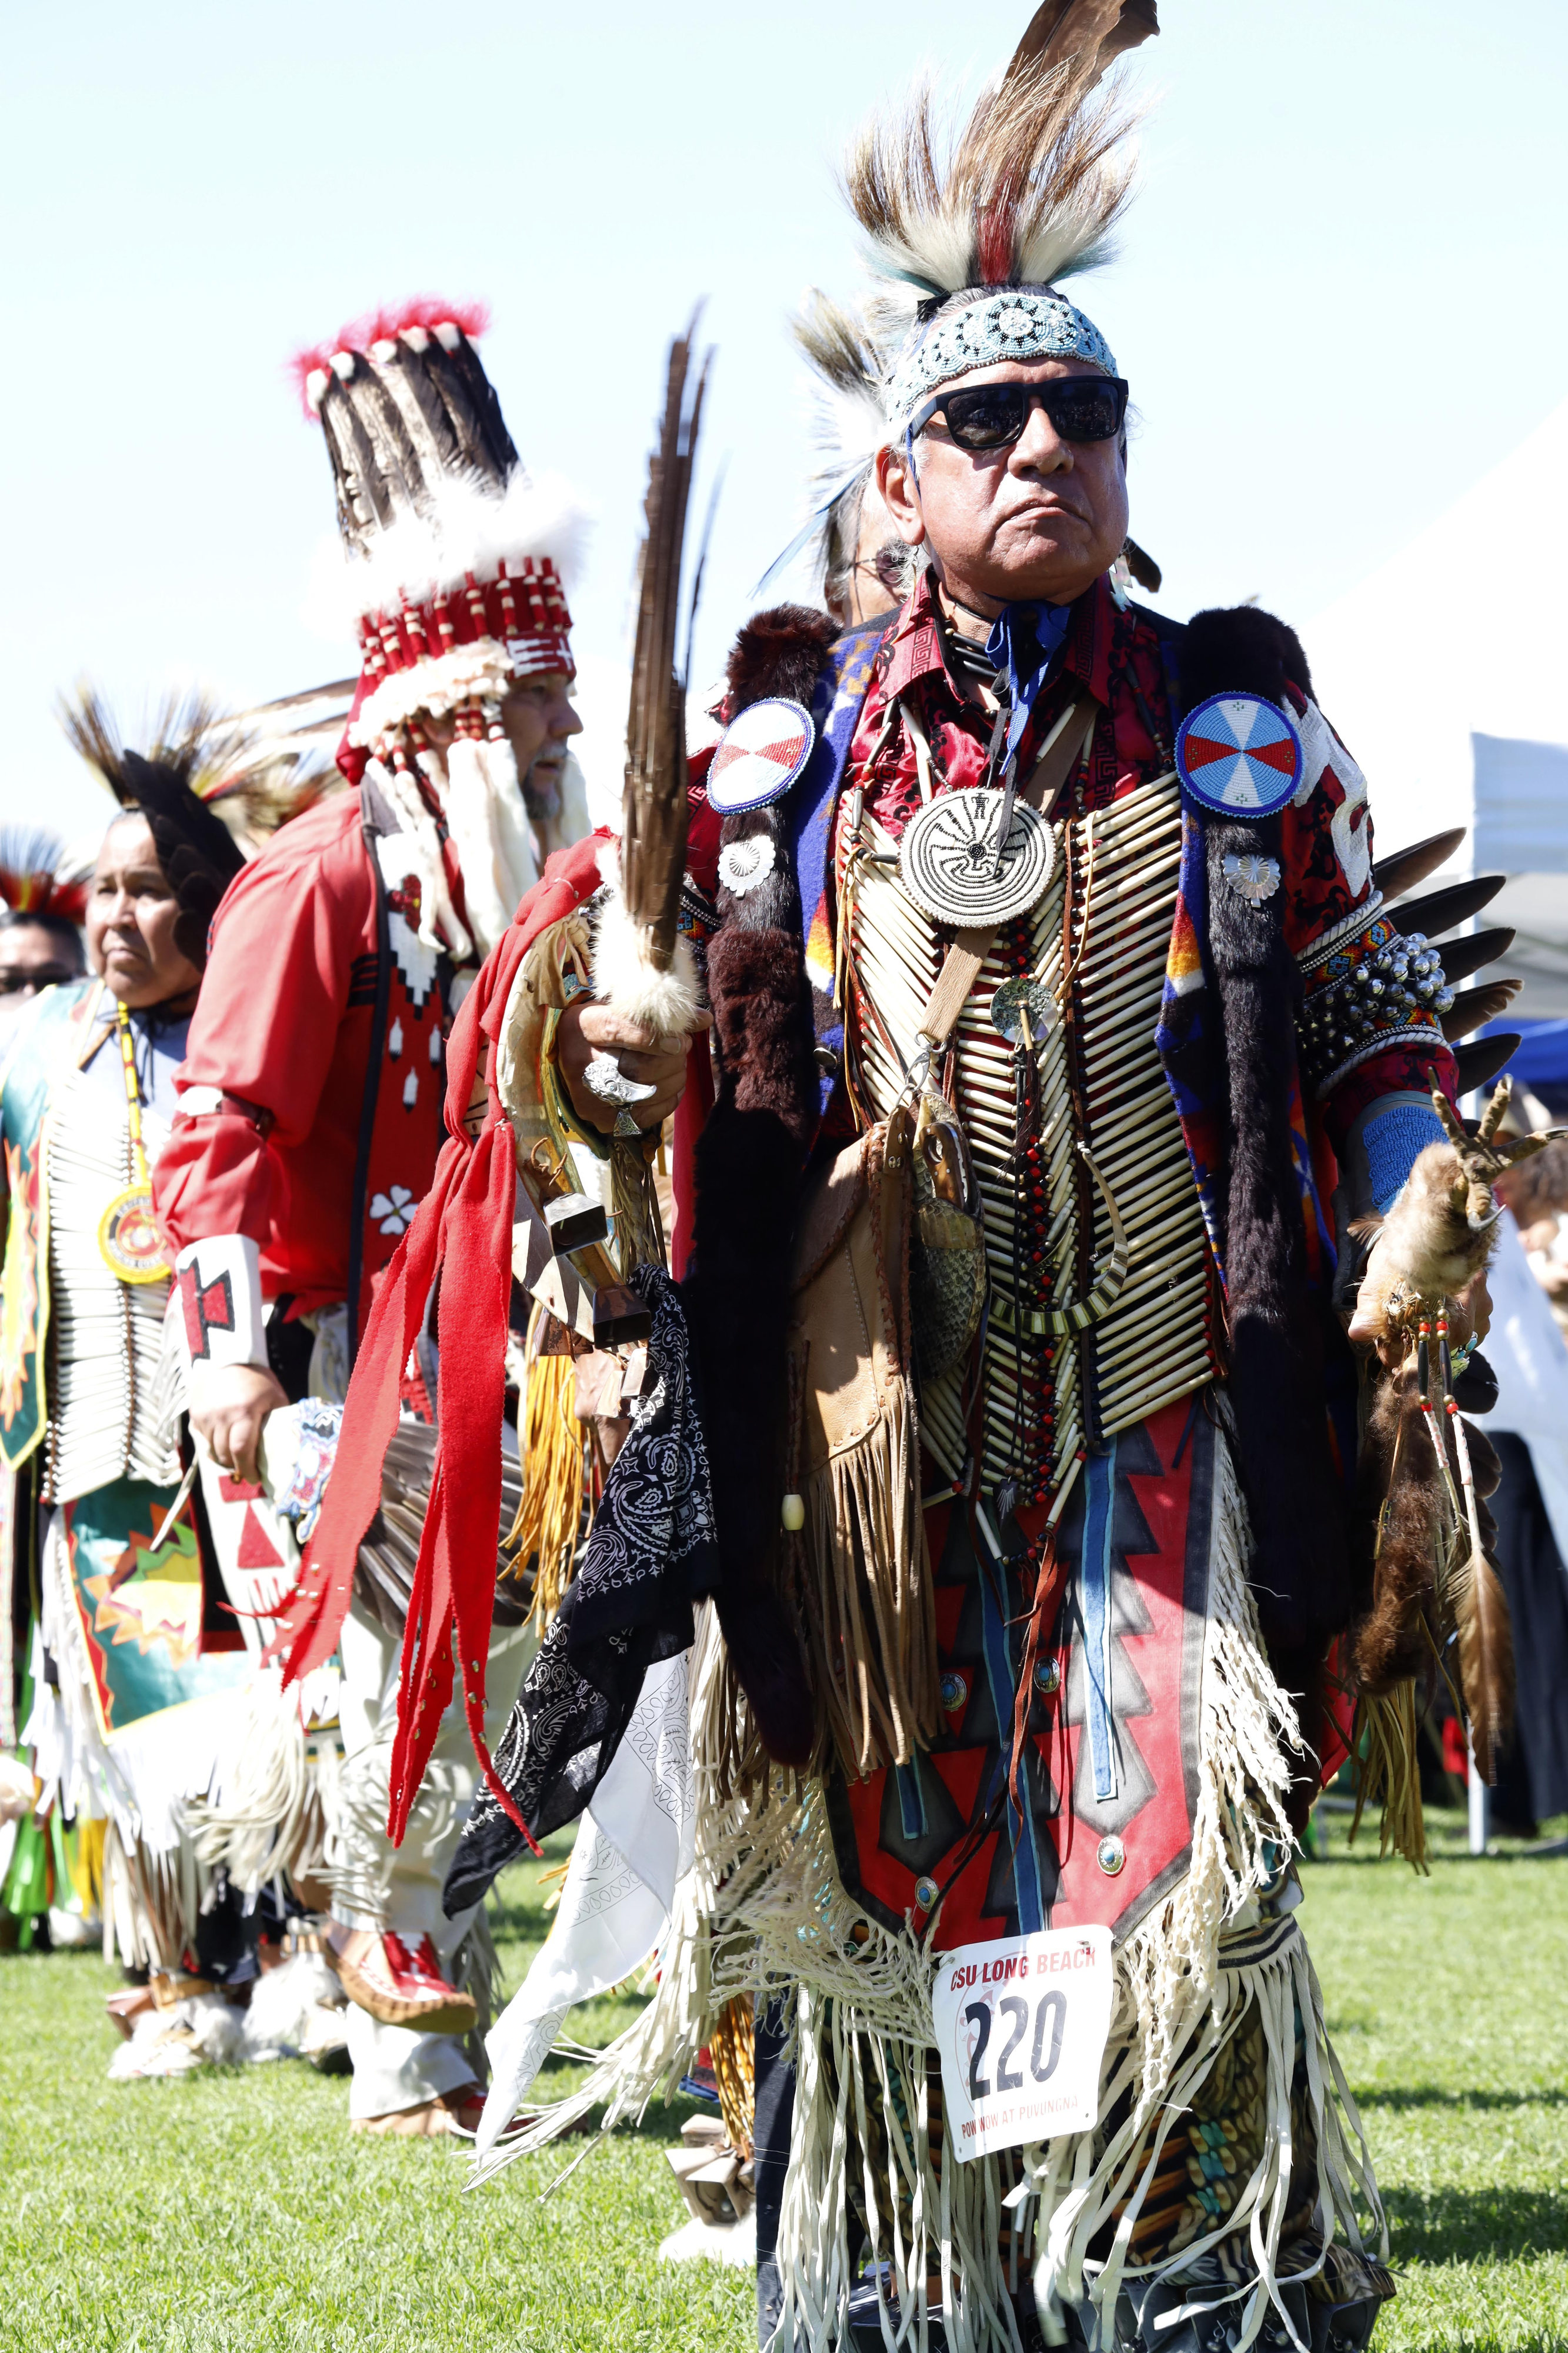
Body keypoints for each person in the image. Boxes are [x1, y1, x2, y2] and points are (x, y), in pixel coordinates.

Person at [294, 12, 1524, 2344]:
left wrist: (1417, 1182)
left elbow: (1362, 995)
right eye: (991, 418)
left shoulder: (1234, 711)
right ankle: (894, 2297)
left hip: (1160, 1406)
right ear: (909, 468)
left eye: (1085, 412)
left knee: (1164, 1874)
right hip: (871, 1426)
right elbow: (595, 1013)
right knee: (877, 1886)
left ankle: (1173, 2298)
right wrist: (628, 1048)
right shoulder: (795, 726)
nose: (1045, 444)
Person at [151, 296, 593, 2136]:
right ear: (453, 714)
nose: (567, 734)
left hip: (517, 1353)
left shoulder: (543, 886)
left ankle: (434, 2017)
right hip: (342, 1357)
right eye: (538, 705)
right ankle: (405, 2054)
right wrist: (236, 1358)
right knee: (375, 1699)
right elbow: (220, 1126)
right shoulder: (321, 875)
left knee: (497, 1702)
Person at [0, 704, 252, 2007]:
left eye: (149, 889)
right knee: (155, 1704)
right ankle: (178, 1974)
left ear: (209, 908)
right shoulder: (39, 1047)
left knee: (280, 1702)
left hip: (258, 1428)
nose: (113, 914)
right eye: (104, 885)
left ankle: (315, 1943)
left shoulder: (256, 1041)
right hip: (112, 1446)